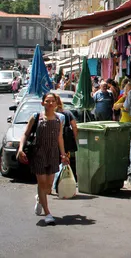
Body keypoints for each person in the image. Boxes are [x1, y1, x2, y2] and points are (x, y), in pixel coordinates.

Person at [16, 92, 70, 225]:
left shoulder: (59, 119)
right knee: (41, 183)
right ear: (43, 103)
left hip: (53, 154)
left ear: (56, 104)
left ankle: (40, 198)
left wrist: (63, 154)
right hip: (38, 154)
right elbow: (26, 133)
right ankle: (48, 213)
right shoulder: (36, 117)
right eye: (47, 101)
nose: (50, 103)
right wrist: (20, 148)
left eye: (52, 101)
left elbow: (60, 138)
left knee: (48, 187)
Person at [53, 95, 79, 192]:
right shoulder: (67, 113)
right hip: (66, 142)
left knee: (54, 163)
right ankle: (63, 183)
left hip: (54, 142)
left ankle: (55, 184)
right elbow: (74, 127)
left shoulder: (52, 114)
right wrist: (75, 139)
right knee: (65, 162)